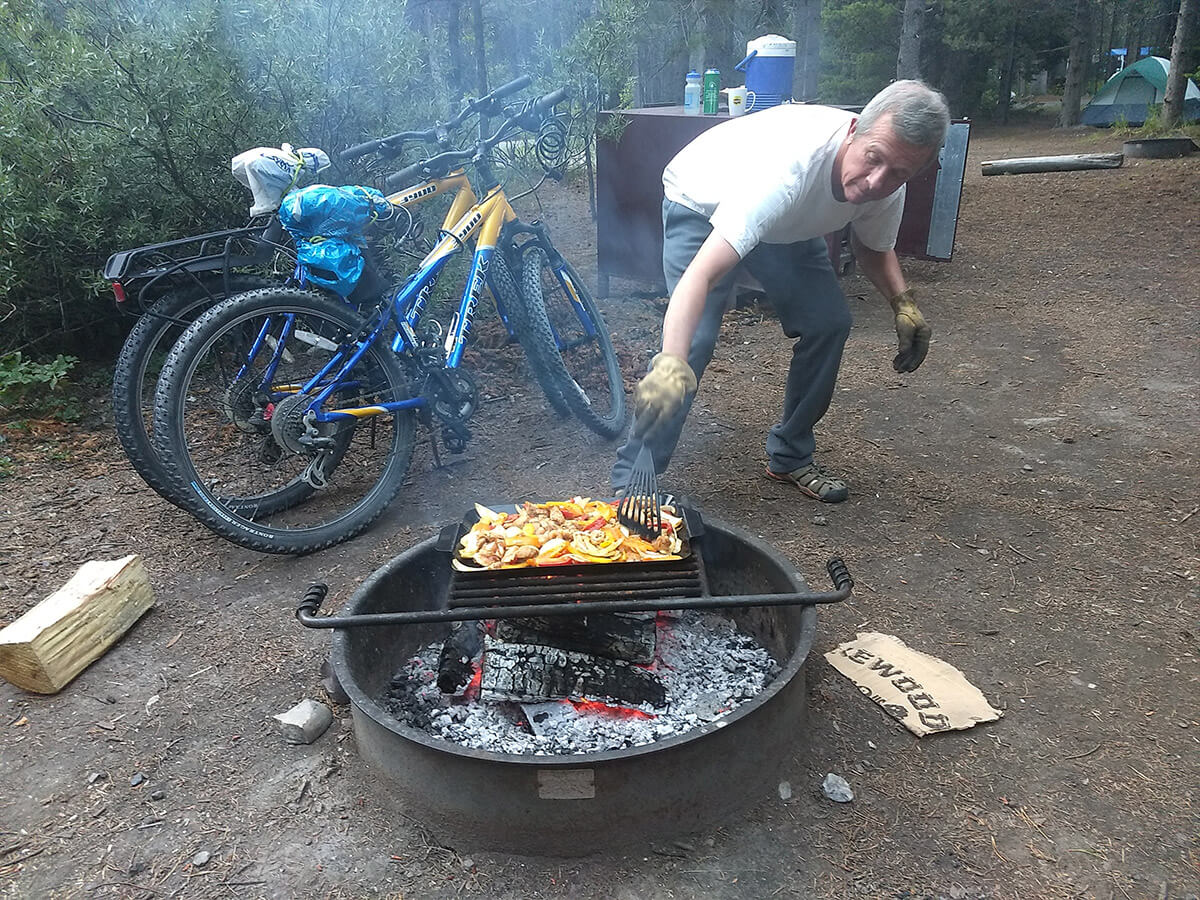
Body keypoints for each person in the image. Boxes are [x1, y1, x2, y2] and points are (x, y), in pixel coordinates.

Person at [611, 79, 950, 503]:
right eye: (873, 159)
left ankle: (790, 455)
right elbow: (701, 276)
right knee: (689, 346)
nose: (875, 182)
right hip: (704, 198)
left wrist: (904, 304)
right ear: (853, 131)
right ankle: (634, 474)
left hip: (786, 223)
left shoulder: (886, 179)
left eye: (898, 173)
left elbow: (873, 246)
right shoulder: (789, 171)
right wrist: (669, 364)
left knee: (828, 322)